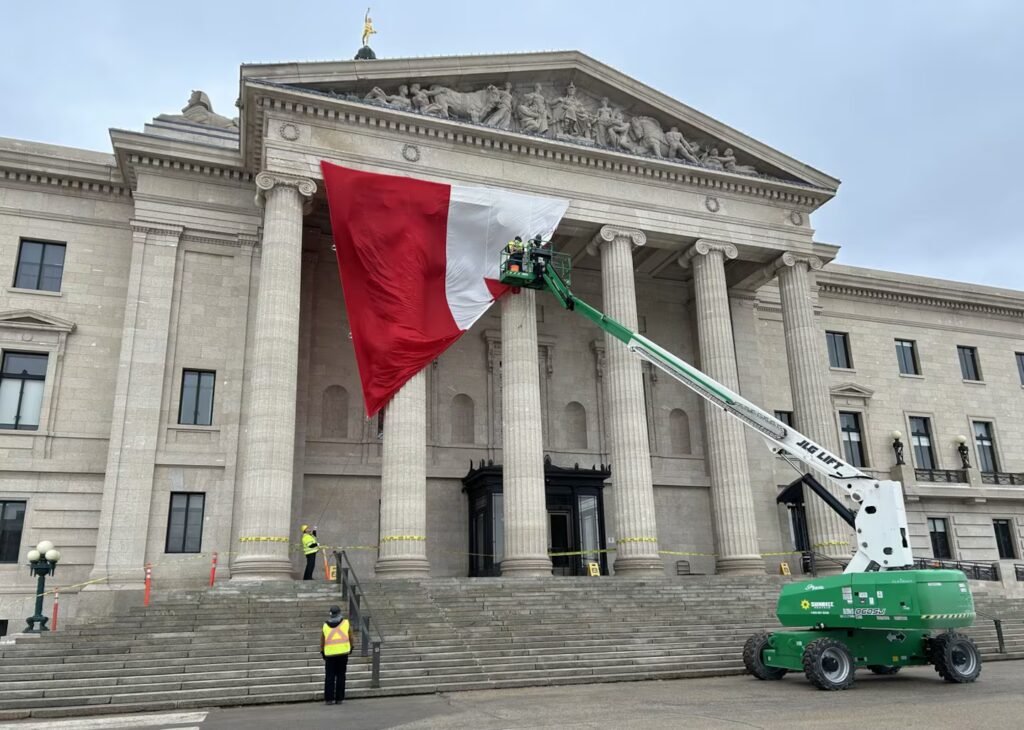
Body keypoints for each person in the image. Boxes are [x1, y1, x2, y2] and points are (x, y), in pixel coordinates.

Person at [320, 605, 352, 705]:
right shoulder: (345, 623)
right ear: (339, 613)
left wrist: (322, 651)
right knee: (341, 675)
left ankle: (329, 699)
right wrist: (351, 647)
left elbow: (322, 640)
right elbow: (351, 637)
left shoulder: (325, 625)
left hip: (329, 654)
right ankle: (339, 698)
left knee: (329, 676)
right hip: (343, 653)